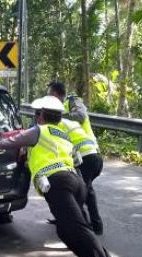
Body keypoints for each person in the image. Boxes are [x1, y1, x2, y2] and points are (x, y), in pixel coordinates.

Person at [0, 96, 116, 257]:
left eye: (36, 114)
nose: (35, 117)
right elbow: (76, 160)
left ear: (41, 115)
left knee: (75, 228)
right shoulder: (63, 133)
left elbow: (13, 141)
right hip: (75, 182)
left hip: (58, 183)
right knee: (68, 229)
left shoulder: (38, 131)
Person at [48, 81, 105, 235]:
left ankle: (82, 228)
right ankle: (93, 224)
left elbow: (80, 115)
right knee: (86, 191)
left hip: (89, 155)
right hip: (81, 158)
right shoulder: (55, 112)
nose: (48, 97)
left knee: (78, 193)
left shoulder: (72, 101)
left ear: (56, 94)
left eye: (50, 94)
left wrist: (58, 116)